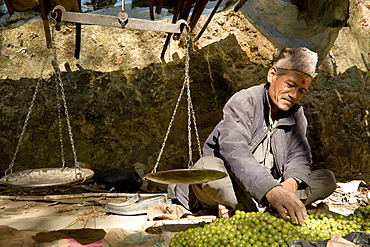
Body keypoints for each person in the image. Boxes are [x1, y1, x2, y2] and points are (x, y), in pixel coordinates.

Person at [173, 47, 337, 225]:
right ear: (272, 75)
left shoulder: (296, 114)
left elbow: (299, 157)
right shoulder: (244, 102)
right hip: (232, 183)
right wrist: (271, 191)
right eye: (290, 85)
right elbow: (234, 152)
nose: (294, 95)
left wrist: (290, 185)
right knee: (206, 168)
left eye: (301, 91)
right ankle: (268, 206)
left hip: (270, 186)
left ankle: (255, 207)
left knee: (326, 179)